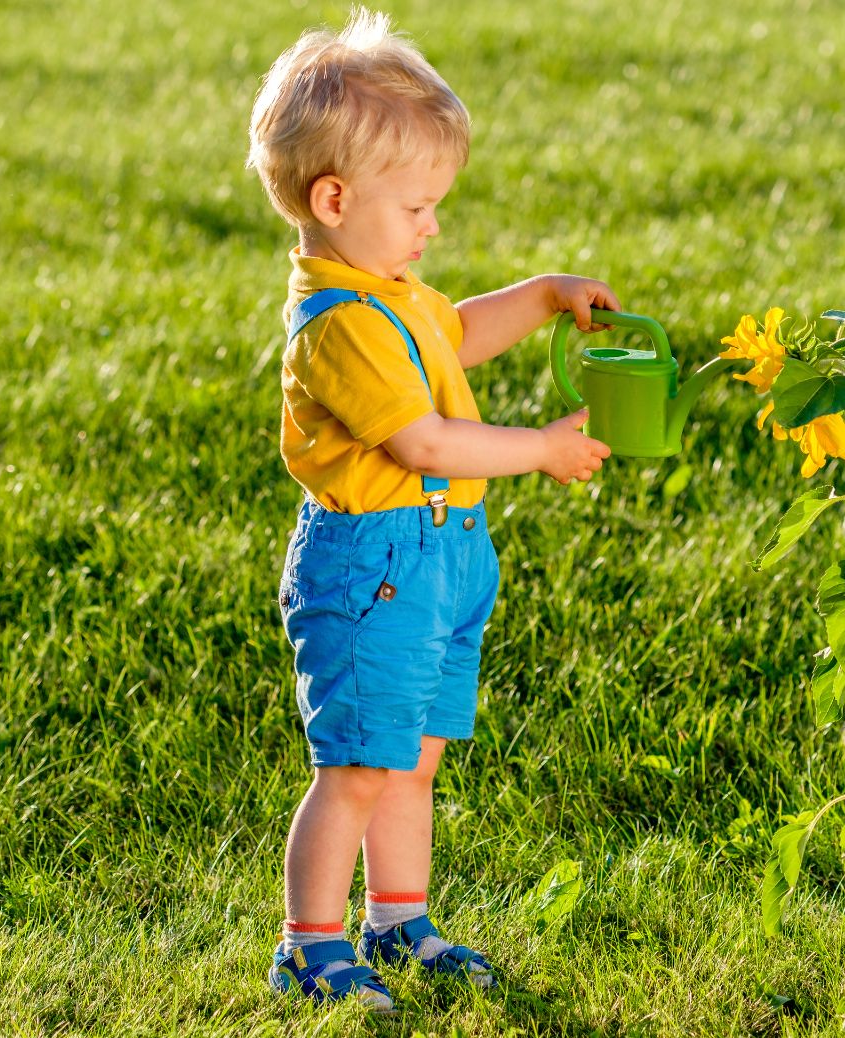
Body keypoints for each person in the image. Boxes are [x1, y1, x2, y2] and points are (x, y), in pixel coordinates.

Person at [246, 7, 614, 1010]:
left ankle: (399, 920)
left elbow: (452, 335)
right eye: (418, 207)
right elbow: (423, 444)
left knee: (412, 761)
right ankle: (309, 945)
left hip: (440, 560)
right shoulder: (338, 324)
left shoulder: (394, 290)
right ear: (334, 197)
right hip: (373, 564)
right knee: (360, 765)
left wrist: (540, 295)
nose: (433, 226)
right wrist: (539, 449)